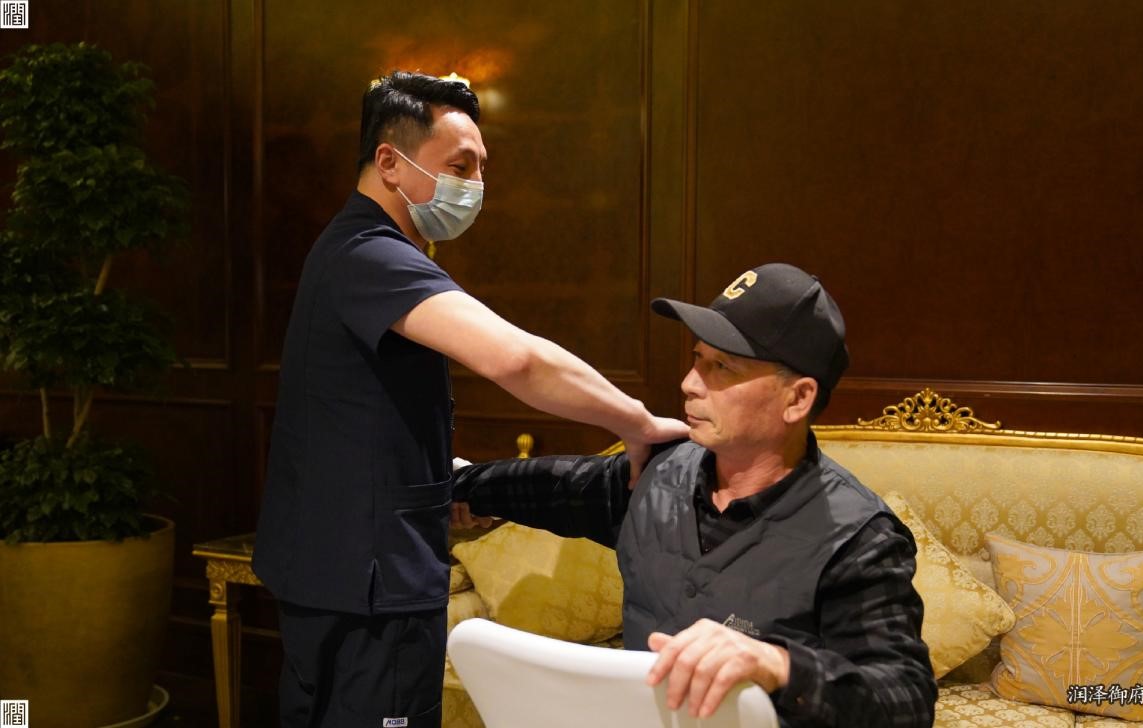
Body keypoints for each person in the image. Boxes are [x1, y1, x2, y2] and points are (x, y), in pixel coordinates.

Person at [252, 72, 687, 728]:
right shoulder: (370, 255)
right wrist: (639, 422)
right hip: (370, 581)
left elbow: (361, 417)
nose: (476, 185)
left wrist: (436, 482)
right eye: (460, 167)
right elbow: (517, 359)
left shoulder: (347, 247)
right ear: (390, 162)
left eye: (482, 168)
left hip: (333, 569)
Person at [452, 263, 937, 728]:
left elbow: (905, 701)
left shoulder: (858, 538)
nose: (688, 384)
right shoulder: (655, 473)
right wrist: (447, 493)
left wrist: (779, 665)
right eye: (697, 359)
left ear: (798, 398)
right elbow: (549, 485)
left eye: (722, 366)